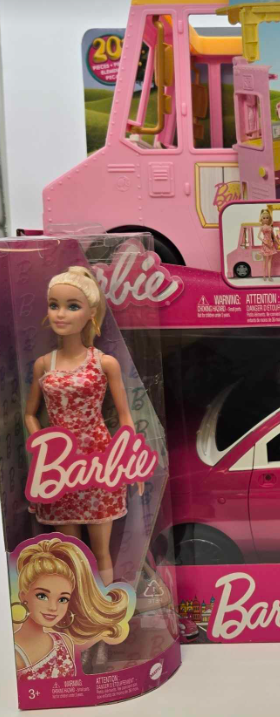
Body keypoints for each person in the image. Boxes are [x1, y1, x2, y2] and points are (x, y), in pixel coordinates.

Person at [24, 267, 139, 586]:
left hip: (97, 462)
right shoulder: (44, 364)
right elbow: (30, 414)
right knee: (68, 552)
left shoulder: (104, 363)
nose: (60, 314)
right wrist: (42, 449)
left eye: (72, 306)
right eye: (54, 305)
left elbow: (125, 416)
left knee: (101, 551)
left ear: (91, 312)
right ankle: (75, 609)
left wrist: (130, 460)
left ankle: (107, 606)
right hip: (59, 466)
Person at [13, 538, 130, 681]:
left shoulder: (63, 642)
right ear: (23, 596)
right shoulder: (13, 652)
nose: (53, 607)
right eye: (42, 596)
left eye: (63, 599)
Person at [258, 208, 280, 281]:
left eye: (267, 218)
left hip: (271, 244)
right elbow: (258, 236)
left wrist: (279, 243)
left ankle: (269, 276)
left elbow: (274, 237)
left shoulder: (270, 227)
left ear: (269, 219)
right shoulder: (262, 227)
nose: (265, 219)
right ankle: (264, 276)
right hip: (265, 245)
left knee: (269, 261)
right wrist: (264, 241)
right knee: (264, 261)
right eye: (264, 218)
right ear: (262, 219)